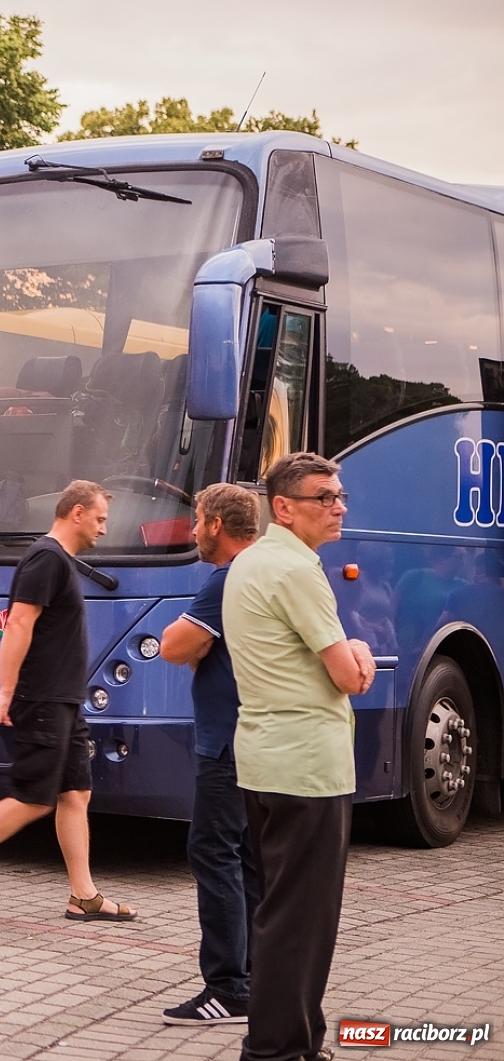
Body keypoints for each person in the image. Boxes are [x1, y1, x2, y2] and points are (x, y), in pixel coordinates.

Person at [0, 480, 136, 923]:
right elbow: (18, 624)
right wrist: (6, 691)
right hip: (41, 699)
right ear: (75, 513)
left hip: (64, 700)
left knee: (76, 793)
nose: (103, 528)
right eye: (98, 519)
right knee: (34, 798)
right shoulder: (46, 559)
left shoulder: (61, 561)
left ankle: (84, 895)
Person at [222, 453, 375, 1061]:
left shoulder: (252, 561)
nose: (337, 507)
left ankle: (299, 1040)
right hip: (309, 766)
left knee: (283, 912)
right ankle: (278, 1050)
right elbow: (347, 675)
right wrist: (359, 649)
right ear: (282, 506)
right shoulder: (295, 569)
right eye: (323, 497)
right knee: (300, 921)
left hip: (263, 759)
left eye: (339, 496)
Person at [158, 484, 262, 1027]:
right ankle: (253, 977)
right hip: (252, 738)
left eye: (197, 520)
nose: (193, 530)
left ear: (217, 524)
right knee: (244, 858)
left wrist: (190, 640)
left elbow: (174, 646)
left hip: (225, 741)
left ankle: (227, 987)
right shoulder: (262, 571)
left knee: (213, 852)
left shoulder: (227, 579)